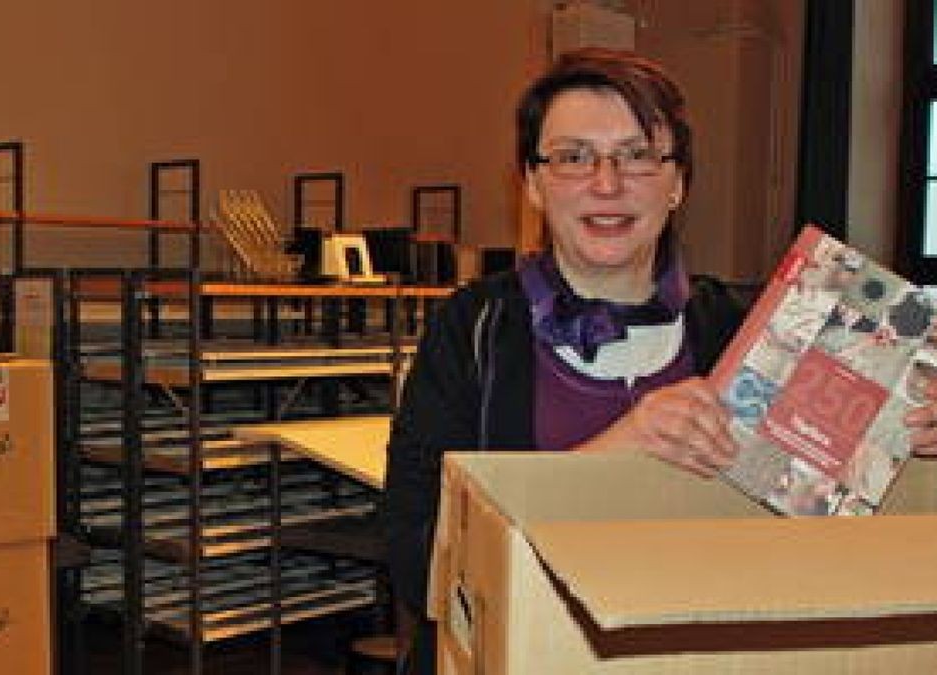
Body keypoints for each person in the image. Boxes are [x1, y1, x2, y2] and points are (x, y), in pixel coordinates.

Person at [383, 47, 937, 674]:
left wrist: (907, 434)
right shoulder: (471, 331)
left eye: (639, 155)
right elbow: (413, 555)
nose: (607, 183)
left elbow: (830, 533)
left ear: (678, 183)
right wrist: (619, 450)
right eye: (572, 157)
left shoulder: (763, 332)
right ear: (533, 184)